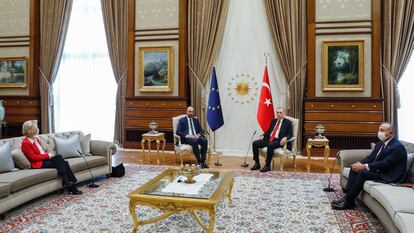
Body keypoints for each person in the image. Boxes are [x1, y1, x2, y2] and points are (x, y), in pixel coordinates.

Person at [331, 122, 407, 210]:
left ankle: (349, 202)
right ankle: (348, 198)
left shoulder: (397, 147)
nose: (379, 132)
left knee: (363, 173)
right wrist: (359, 163)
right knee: (354, 168)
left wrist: (364, 166)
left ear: (390, 133)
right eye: (379, 130)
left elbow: (385, 164)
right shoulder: (381, 143)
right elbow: (370, 158)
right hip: (380, 170)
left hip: (390, 175)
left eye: (382, 130)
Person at [21, 120, 82, 195]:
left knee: (59, 158)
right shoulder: (25, 143)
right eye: (35, 128)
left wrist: (48, 154)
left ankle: (67, 182)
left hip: (44, 159)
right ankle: (71, 185)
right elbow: (33, 158)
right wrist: (48, 155)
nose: (37, 129)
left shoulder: (36, 139)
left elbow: (41, 152)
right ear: (31, 130)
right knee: (64, 163)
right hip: (38, 163)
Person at [251, 107, 293, 172]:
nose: (279, 114)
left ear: (283, 113)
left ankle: (267, 165)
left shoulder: (288, 122)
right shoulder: (273, 121)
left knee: (270, 145)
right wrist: (263, 135)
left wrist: (285, 138)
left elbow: (290, 134)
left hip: (278, 141)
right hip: (269, 139)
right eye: (277, 113)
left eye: (280, 112)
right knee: (255, 143)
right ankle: (257, 163)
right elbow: (269, 131)